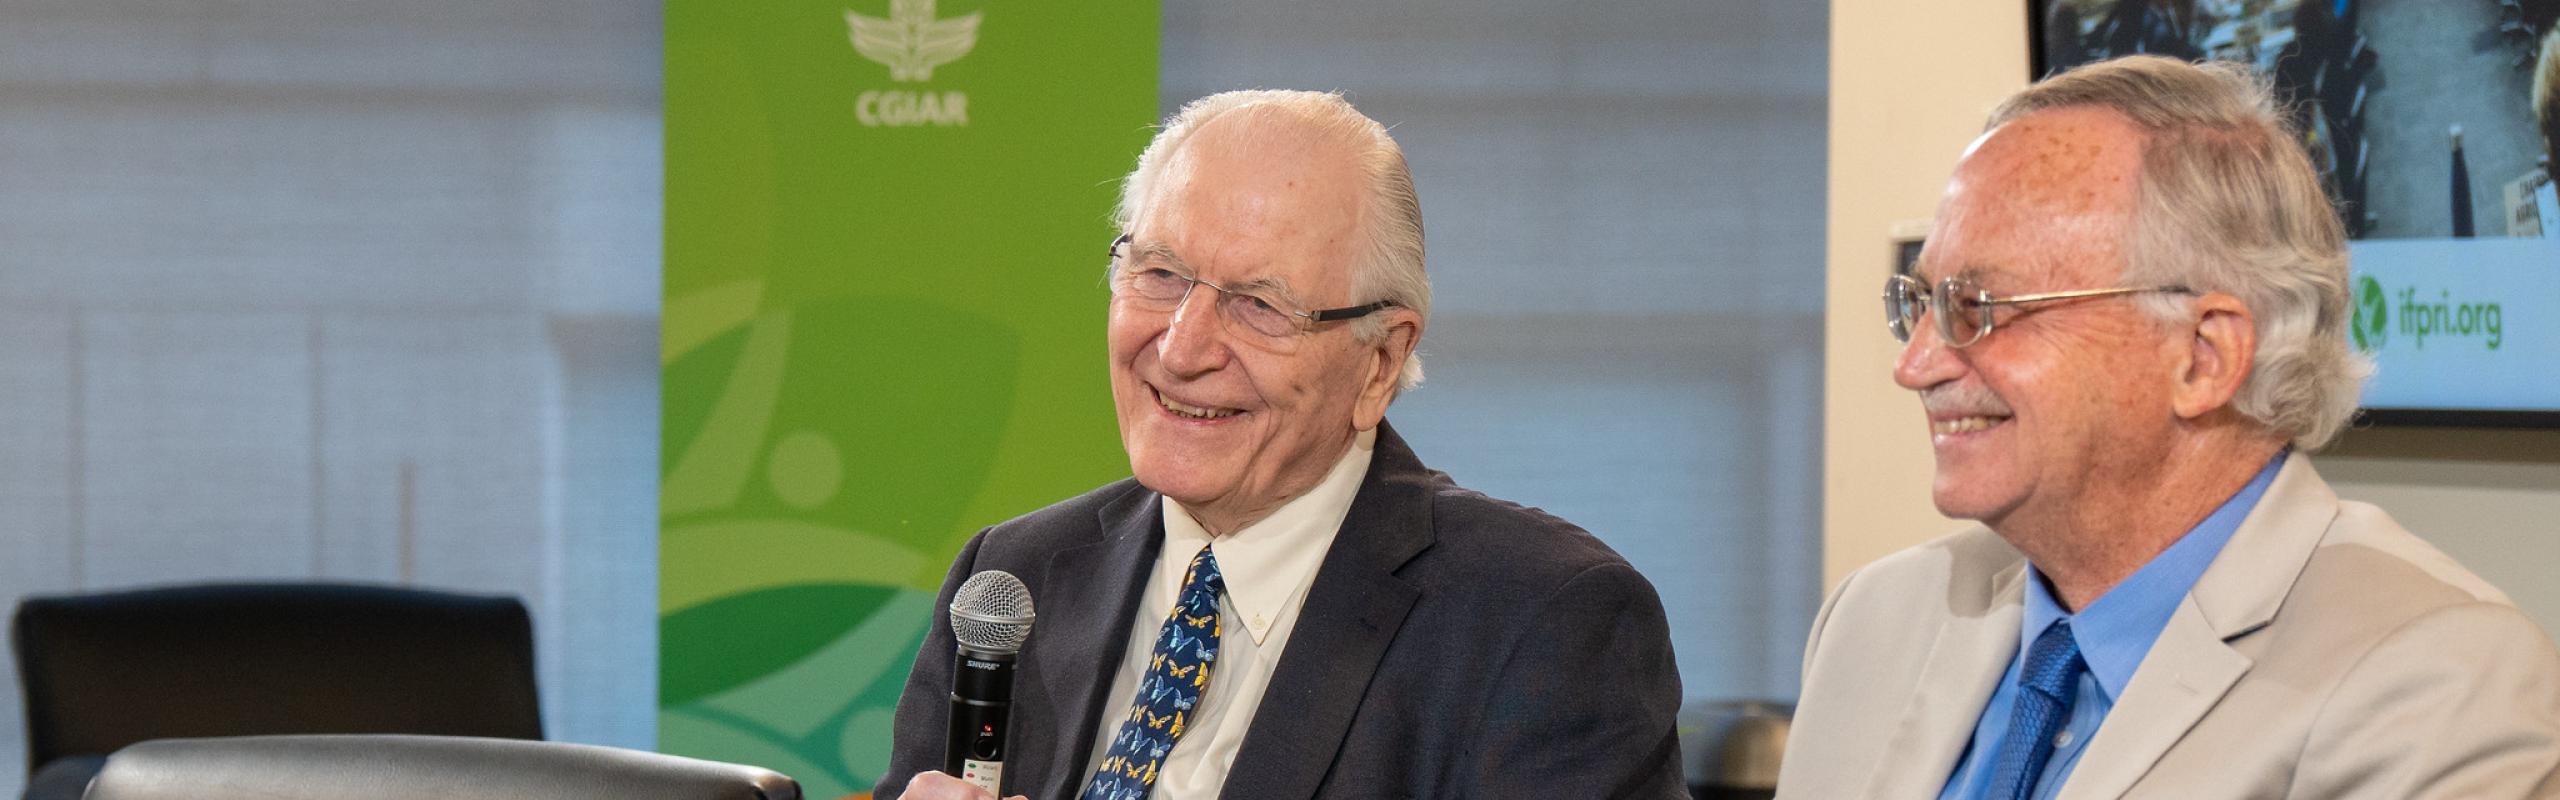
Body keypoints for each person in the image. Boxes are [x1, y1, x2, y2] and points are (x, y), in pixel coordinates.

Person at [1779, 55, 2560, 799]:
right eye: (1922, 303)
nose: (1915, 366)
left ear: (2202, 356)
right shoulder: (1876, 618)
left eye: (1979, 308)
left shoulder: (2442, 681)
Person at [877, 90, 1686, 800]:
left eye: (1260, 305)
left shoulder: (1542, 623)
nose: (1182, 348)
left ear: (1380, 361)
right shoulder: (1015, 579)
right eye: (1160, 275)